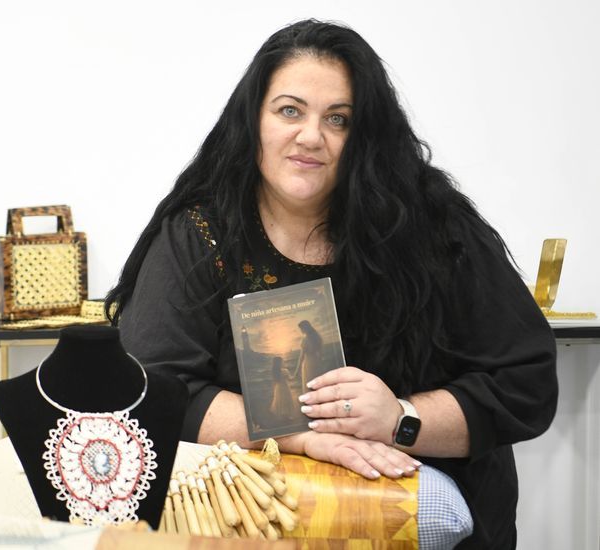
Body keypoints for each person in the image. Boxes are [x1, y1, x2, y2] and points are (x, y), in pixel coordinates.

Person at [106, 19, 557, 549]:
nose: (311, 136)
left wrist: (401, 420)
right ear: (253, 120)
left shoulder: (434, 227)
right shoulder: (199, 234)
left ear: (364, 137)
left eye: (338, 119)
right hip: (258, 525)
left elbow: (524, 383)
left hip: (433, 524)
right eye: (289, 110)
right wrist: (300, 436)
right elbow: (151, 391)